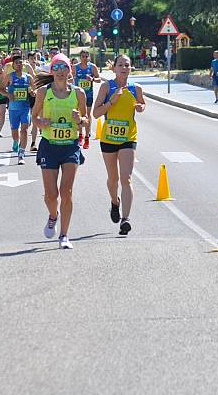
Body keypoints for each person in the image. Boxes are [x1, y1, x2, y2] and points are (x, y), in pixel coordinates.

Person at [32, 53, 88, 249]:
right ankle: (53, 215)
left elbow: (86, 120)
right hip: (49, 145)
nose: (60, 71)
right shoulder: (43, 93)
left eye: (64, 68)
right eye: (56, 68)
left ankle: (64, 235)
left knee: (66, 192)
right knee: (50, 195)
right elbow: (34, 116)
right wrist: (41, 122)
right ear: (51, 71)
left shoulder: (78, 93)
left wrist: (79, 120)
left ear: (69, 71)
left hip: (70, 146)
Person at [92, 54, 146, 236]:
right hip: (108, 138)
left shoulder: (136, 88)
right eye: (120, 65)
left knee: (126, 178)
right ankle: (114, 202)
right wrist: (111, 101)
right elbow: (96, 114)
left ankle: (126, 219)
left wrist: (140, 107)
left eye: (127, 65)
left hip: (128, 138)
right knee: (113, 179)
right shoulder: (107, 87)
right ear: (113, 68)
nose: (124, 67)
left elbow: (142, 104)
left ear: (131, 68)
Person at [0, 54, 34, 165]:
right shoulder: (9, 76)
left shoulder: (28, 77)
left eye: (21, 62)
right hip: (13, 109)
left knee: (24, 130)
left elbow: (35, 89)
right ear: (13, 65)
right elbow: (0, 89)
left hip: (25, 108)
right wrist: (8, 94)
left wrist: (33, 92)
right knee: (15, 132)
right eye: (17, 63)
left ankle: (21, 154)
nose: (19, 64)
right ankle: (15, 141)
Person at [71, 49, 100, 150]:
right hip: (78, 95)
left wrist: (92, 79)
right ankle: (80, 135)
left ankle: (87, 137)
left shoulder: (92, 67)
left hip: (88, 94)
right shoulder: (75, 67)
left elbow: (99, 79)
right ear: (80, 57)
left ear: (89, 57)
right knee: (78, 115)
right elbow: (69, 78)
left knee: (87, 115)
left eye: (86, 56)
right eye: (83, 56)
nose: (85, 58)